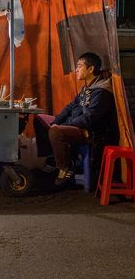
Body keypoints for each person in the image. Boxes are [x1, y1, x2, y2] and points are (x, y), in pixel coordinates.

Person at [34, 52, 119, 186]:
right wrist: (55, 122)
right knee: (39, 119)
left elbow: (88, 119)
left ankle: (65, 167)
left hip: (88, 131)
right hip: (74, 123)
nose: (76, 70)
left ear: (90, 69)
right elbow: (70, 107)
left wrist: (61, 126)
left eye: (79, 66)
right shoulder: (87, 88)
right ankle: (52, 159)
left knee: (55, 132)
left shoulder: (102, 92)